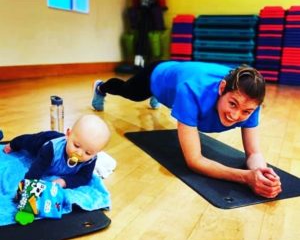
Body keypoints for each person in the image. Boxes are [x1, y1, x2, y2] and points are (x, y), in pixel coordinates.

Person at [91, 61, 282, 199]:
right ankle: (101, 87)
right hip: (157, 75)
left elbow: (254, 152)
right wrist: (246, 178)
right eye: (232, 104)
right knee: (131, 92)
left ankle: (162, 97)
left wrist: (262, 174)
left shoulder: (251, 100)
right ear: (222, 88)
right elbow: (194, 161)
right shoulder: (191, 91)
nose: (235, 115)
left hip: (182, 75)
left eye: (246, 111)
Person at [3, 114, 111, 189]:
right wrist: (28, 186)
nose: (79, 153)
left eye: (88, 153)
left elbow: (84, 177)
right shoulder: (51, 149)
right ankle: (13, 143)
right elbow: (36, 170)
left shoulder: (90, 160)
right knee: (27, 141)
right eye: (76, 145)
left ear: (96, 153)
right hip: (43, 141)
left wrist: (64, 182)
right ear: (68, 134)